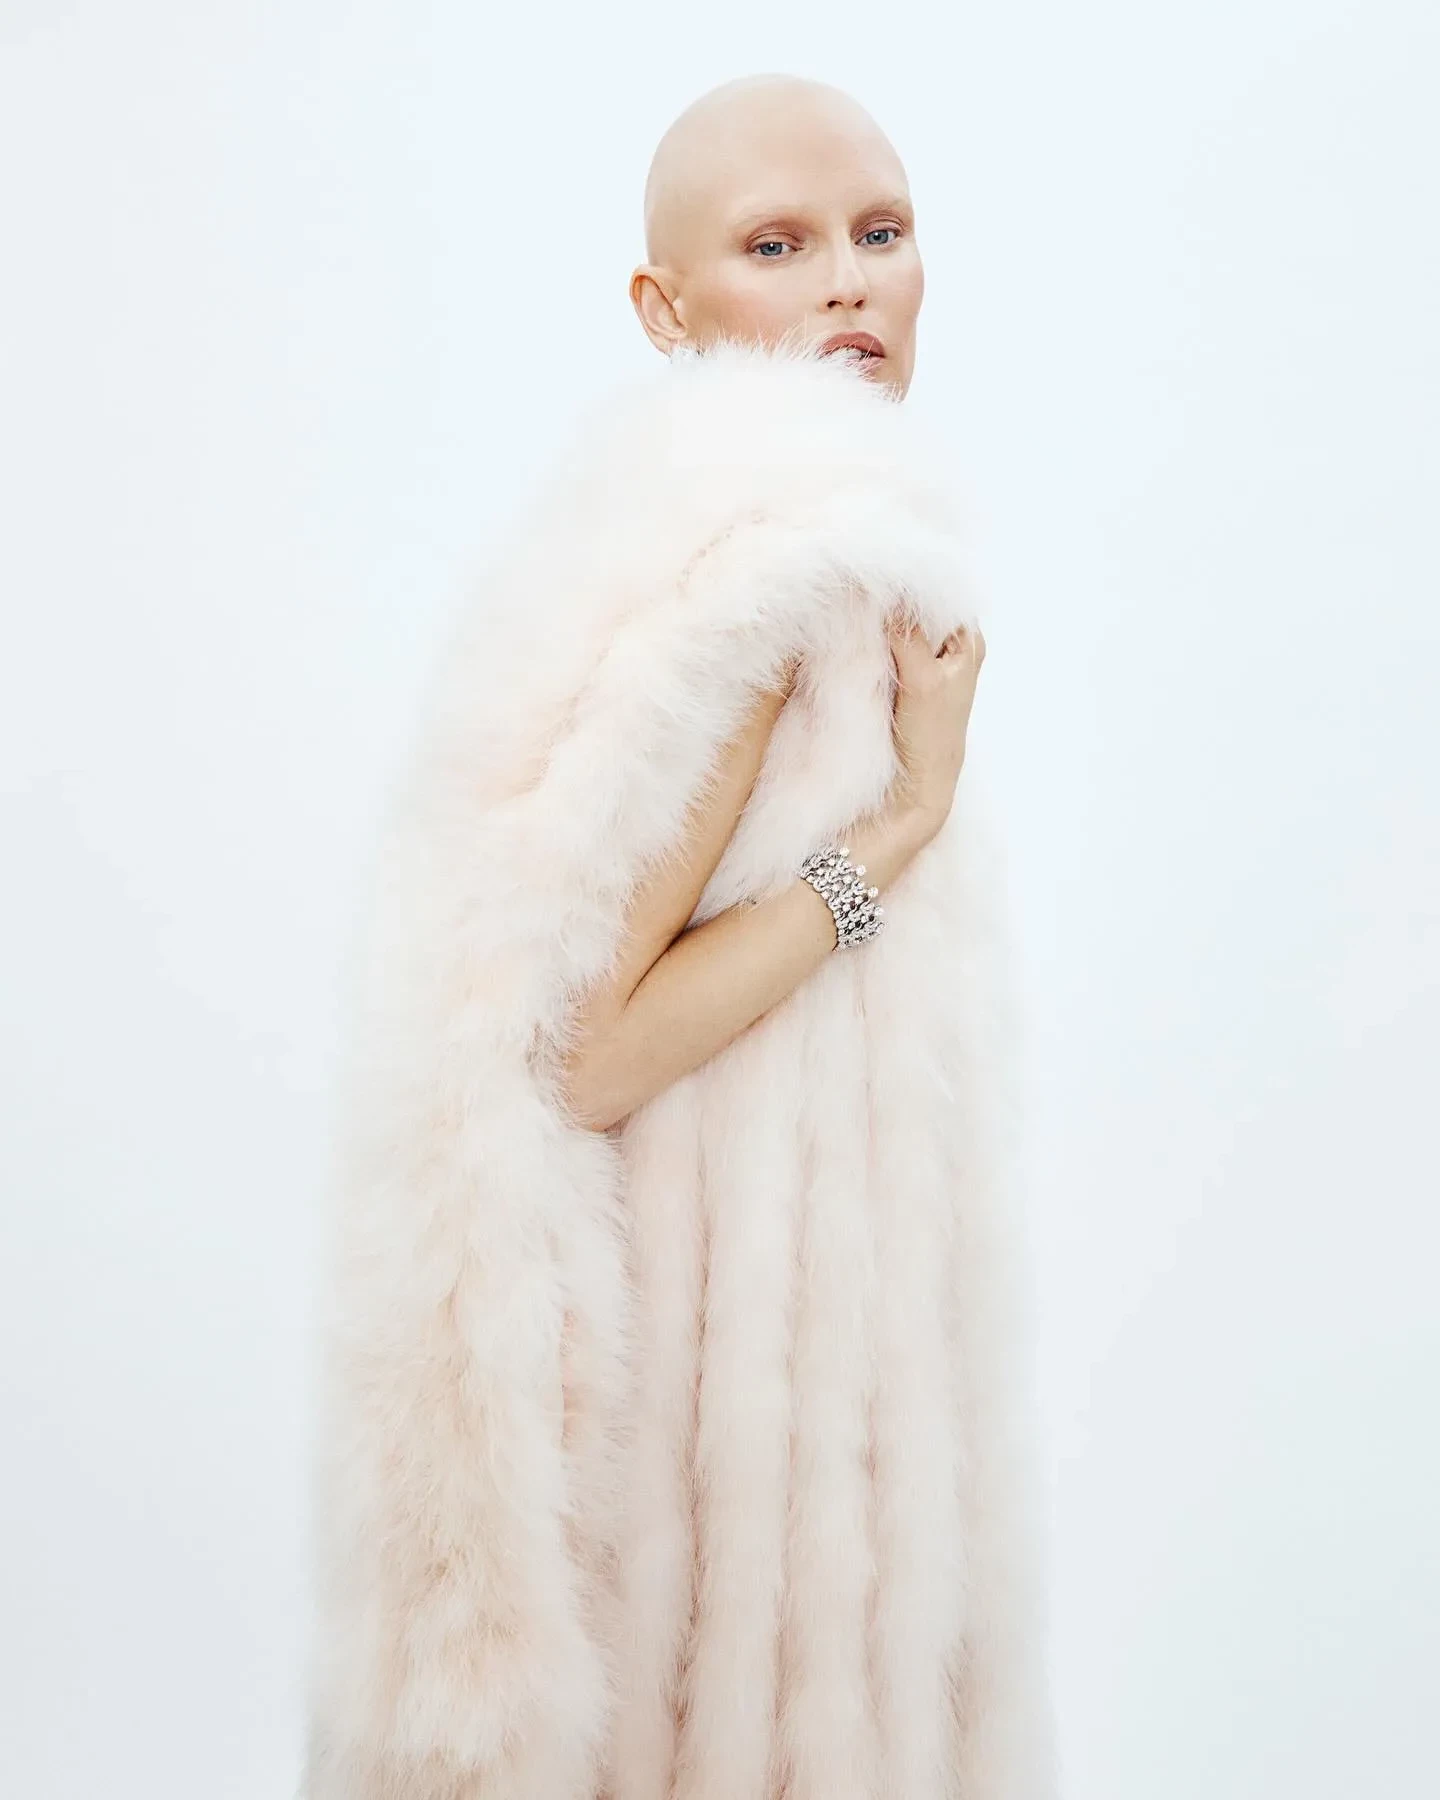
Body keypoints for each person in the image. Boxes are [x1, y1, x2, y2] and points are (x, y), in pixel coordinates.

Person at [302, 71, 1057, 1800]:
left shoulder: (735, 536)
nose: (849, 280)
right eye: (776, 246)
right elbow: (588, 1051)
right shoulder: (770, 573)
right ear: (665, 308)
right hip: (730, 1370)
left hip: (781, 1323)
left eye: (880, 232)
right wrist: (895, 834)